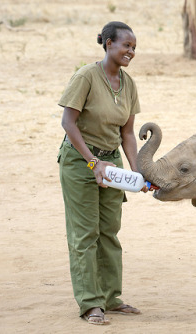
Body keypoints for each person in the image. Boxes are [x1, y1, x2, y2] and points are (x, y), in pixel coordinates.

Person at [57, 21, 145, 325]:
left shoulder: (128, 83)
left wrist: (138, 173)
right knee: (85, 234)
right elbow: (68, 124)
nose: (131, 52)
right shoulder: (86, 77)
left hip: (112, 164)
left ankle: (111, 298)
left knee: (109, 231)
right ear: (108, 44)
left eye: (134, 47)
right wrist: (94, 163)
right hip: (81, 161)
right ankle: (90, 303)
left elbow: (129, 134)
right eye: (126, 45)